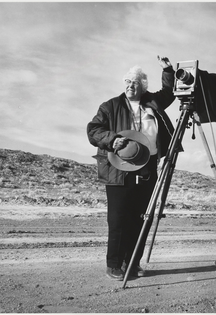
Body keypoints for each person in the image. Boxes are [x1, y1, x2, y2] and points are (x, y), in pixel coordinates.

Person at [87, 56, 176, 280]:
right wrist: (111, 140)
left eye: (135, 82)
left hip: (147, 170)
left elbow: (169, 92)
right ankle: (114, 265)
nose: (130, 85)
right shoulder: (110, 106)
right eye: (127, 81)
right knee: (118, 219)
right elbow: (93, 129)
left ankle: (132, 262)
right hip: (119, 170)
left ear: (142, 85)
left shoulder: (152, 102)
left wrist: (168, 70)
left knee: (141, 218)